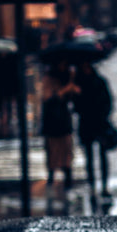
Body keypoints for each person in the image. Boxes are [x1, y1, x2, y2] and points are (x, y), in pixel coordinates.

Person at [72, 60, 113, 196]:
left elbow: (108, 101)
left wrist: (104, 115)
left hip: (99, 122)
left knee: (102, 156)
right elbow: (75, 105)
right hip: (86, 123)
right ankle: (92, 184)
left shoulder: (100, 81)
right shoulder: (77, 84)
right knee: (89, 156)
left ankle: (104, 184)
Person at [40, 59, 78, 190]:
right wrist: (63, 91)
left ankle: (67, 175)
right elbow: (47, 98)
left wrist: (72, 88)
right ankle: (51, 175)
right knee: (53, 151)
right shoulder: (49, 79)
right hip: (52, 121)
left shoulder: (68, 78)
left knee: (66, 150)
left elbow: (72, 101)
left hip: (64, 121)